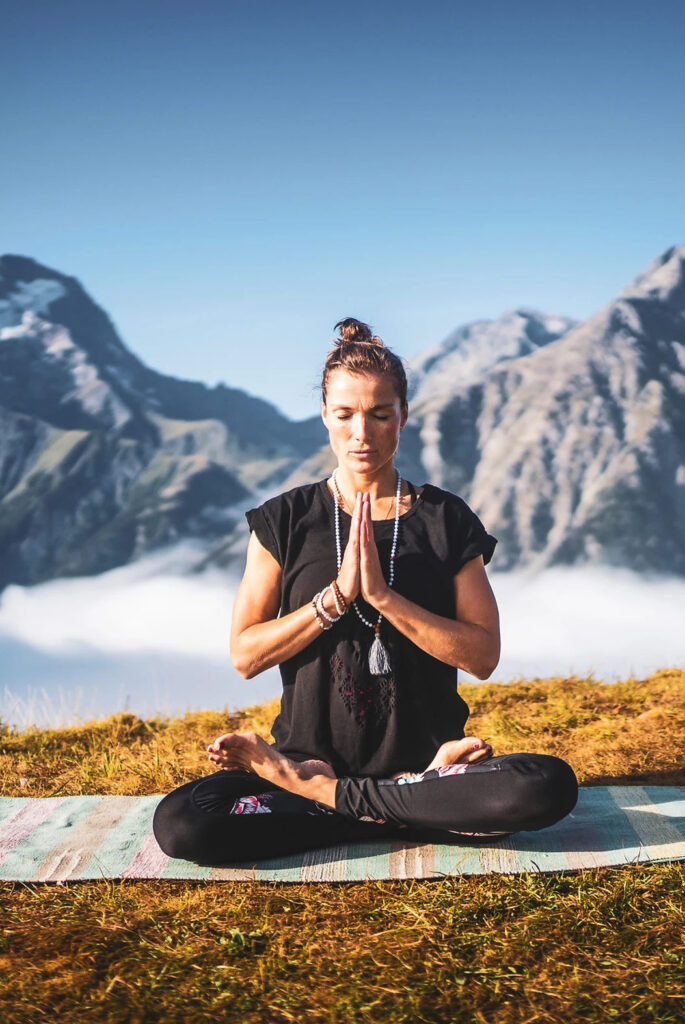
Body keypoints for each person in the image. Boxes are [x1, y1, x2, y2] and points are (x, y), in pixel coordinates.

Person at [153, 318, 578, 865]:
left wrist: (383, 599)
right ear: (325, 416)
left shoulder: (444, 518)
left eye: (380, 414)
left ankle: (335, 805)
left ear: (403, 415)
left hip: (429, 770)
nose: (362, 433)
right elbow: (245, 655)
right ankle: (394, 808)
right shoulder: (284, 519)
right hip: (307, 764)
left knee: (546, 784)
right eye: (346, 414)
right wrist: (335, 599)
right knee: (184, 822)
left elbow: (483, 656)